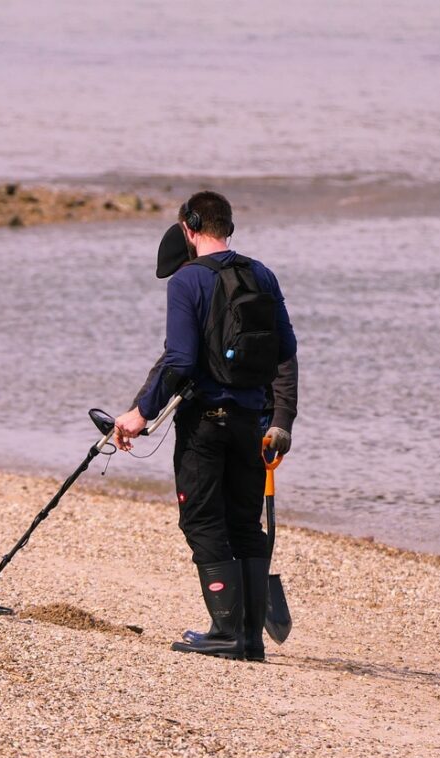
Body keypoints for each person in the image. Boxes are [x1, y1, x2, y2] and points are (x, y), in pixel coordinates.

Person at [114, 191, 297, 661]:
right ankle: (249, 638)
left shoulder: (186, 281)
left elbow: (179, 359)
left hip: (206, 424)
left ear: (190, 228)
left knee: (201, 520)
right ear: (228, 226)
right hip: (250, 425)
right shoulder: (262, 273)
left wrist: (140, 414)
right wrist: (278, 417)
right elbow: (285, 349)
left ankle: (223, 630)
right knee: (244, 524)